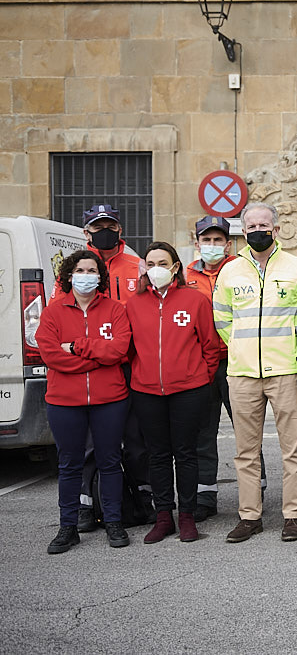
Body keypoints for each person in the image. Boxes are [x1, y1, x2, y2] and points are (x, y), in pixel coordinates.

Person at [212, 202, 297, 543]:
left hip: (286, 368)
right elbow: (222, 320)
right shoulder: (229, 271)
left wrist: (291, 350)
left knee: (293, 448)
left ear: (277, 228)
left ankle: (293, 515)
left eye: (264, 224)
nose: (258, 229)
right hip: (241, 373)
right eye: (251, 224)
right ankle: (250, 516)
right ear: (243, 229)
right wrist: (242, 347)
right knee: (245, 450)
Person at [37, 250, 132, 553]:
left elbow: (119, 350)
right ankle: (68, 527)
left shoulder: (116, 309)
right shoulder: (53, 312)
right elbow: (51, 356)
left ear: (100, 276)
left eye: (92, 270)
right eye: (80, 269)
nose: (86, 275)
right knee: (69, 464)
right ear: (68, 274)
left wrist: (77, 347)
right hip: (64, 401)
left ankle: (114, 522)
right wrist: (96, 358)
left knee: (110, 461)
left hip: (110, 399)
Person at [126, 242, 220, 544]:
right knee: (158, 455)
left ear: (175, 267)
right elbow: (129, 350)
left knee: (186, 453)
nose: (157, 269)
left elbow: (210, 346)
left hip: (188, 391)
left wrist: (200, 381)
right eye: (151, 263)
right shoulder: (134, 304)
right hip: (147, 391)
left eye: (162, 263)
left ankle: (188, 516)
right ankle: (164, 516)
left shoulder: (195, 301)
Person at [76, 204, 150, 532]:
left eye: (110, 225)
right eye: (97, 226)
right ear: (86, 231)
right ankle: (85, 506)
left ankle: (143, 502)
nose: (104, 231)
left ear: (120, 229)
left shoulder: (137, 266)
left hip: (133, 365)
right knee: (92, 443)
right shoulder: (76, 270)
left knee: (136, 441)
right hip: (92, 368)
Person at [186, 216, 236, 522]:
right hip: (201, 364)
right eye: (207, 240)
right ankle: (205, 496)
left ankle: (254, 491)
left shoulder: (240, 269)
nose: (213, 246)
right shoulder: (185, 277)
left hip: (236, 361)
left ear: (229, 244)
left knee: (247, 430)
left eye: (218, 241)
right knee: (203, 432)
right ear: (197, 244)